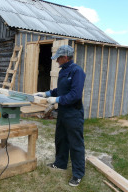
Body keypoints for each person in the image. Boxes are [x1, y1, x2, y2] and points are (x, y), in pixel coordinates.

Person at [35, 45, 86, 187]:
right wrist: (46, 94)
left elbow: (75, 95)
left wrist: (57, 100)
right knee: (61, 139)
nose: (56, 60)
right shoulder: (64, 70)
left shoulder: (77, 71)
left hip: (74, 113)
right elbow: (60, 90)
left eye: (58, 58)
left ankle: (78, 174)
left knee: (75, 144)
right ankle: (60, 163)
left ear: (64, 57)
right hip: (63, 112)